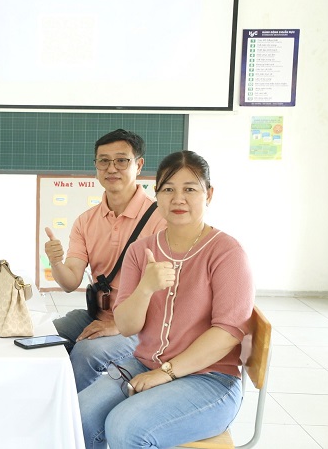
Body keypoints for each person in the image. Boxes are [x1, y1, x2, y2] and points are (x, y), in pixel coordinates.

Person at [78, 150, 255, 449]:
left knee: (125, 427)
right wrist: (145, 289)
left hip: (210, 380)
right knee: (81, 415)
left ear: (209, 194)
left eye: (190, 189)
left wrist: (166, 373)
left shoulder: (227, 252)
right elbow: (127, 326)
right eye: (168, 189)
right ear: (157, 195)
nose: (178, 199)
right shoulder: (140, 251)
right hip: (144, 365)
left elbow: (227, 333)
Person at [45, 129, 166, 392]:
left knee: (87, 353)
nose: (112, 168)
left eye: (121, 160)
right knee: (43, 335)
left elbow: (168, 296)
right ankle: (45, 399)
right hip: (97, 315)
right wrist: (56, 262)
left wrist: (118, 325)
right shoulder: (86, 221)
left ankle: (73, 412)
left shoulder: (161, 220)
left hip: (142, 326)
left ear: (138, 165)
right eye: (103, 161)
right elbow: (70, 282)